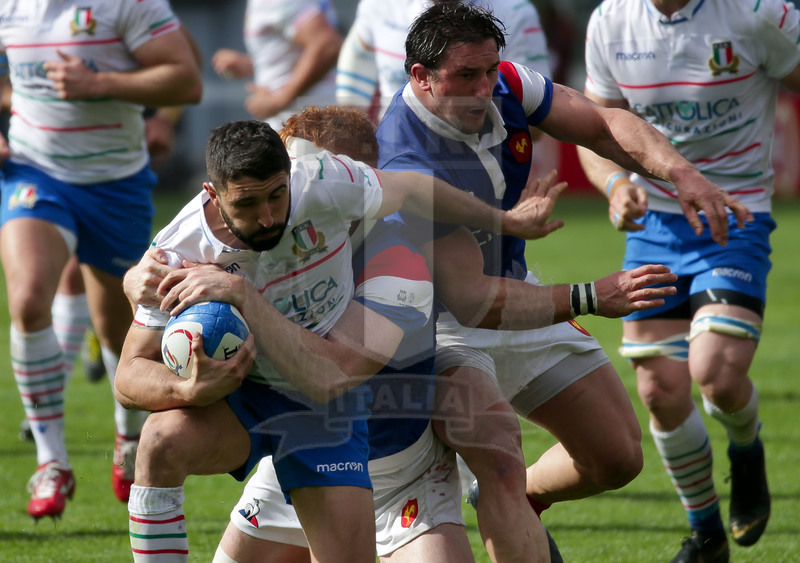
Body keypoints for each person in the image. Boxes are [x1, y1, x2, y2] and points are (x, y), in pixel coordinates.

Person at [121, 106, 677, 563]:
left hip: (355, 428)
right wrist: (185, 387)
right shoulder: (186, 248)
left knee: (496, 437)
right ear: (215, 195)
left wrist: (516, 233)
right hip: (272, 411)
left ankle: (497, 502)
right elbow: (129, 374)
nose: (270, 216)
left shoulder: (389, 246)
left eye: (278, 195)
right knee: (161, 439)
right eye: (249, 203)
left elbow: (333, 374)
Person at [373, 1, 754, 556]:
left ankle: (508, 499)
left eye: (489, 71)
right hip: (437, 331)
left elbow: (600, 122)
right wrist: (591, 297)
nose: (484, 89)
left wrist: (681, 174)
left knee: (617, 456)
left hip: (513, 290)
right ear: (421, 78)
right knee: (501, 456)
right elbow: (472, 301)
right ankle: (501, 495)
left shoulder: (503, 82)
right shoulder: (405, 160)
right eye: (466, 77)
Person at [577, 1, 800, 560]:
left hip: (735, 216)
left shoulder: (756, 13)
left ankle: (746, 451)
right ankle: (705, 535)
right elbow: (594, 129)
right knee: (659, 389)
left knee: (716, 374)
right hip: (656, 227)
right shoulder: (610, 21)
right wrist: (613, 186)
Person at [0, 0, 202, 520]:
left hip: (115, 185)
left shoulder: (128, 5)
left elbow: (186, 80)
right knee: (25, 299)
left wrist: (98, 84)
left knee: (119, 333)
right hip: (33, 171)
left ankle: (127, 436)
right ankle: (51, 463)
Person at [335, 0, 550, 120]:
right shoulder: (379, 6)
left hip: (480, 163)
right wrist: (355, 137)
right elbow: (357, 61)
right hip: (396, 161)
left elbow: (534, 115)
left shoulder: (517, 12)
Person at [212, 0, 343, 129]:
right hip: (304, 120)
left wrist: (280, 100)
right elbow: (295, 52)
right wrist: (251, 64)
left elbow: (327, 45)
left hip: (301, 123)